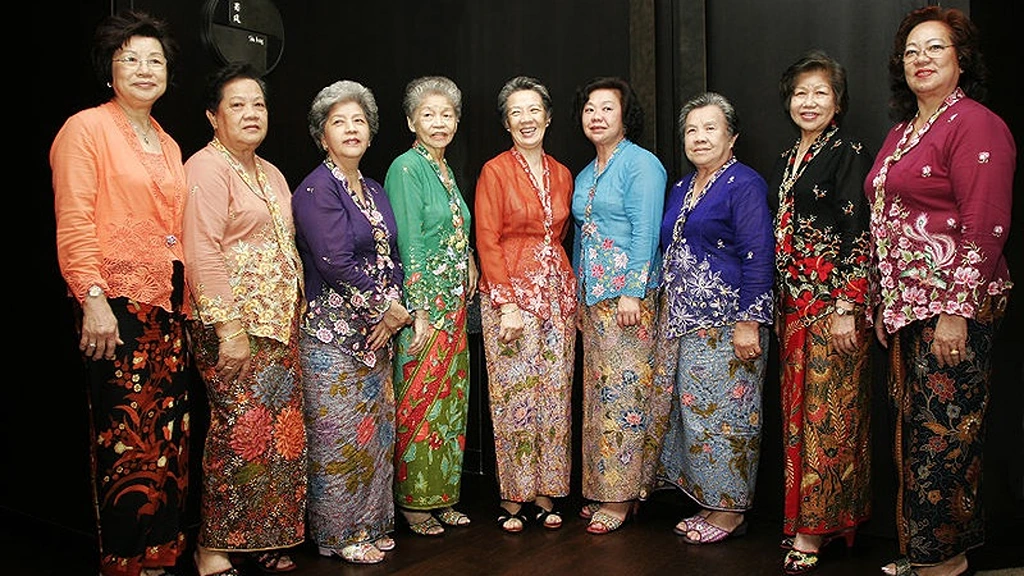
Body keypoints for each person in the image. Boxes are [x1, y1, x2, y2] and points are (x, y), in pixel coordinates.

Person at [866, 6, 1015, 576]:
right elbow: (885, 222)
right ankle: (925, 551)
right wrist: (885, 301)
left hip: (955, 309)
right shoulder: (902, 132)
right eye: (911, 51)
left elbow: (985, 224)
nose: (921, 59)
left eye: (935, 48)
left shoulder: (976, 124)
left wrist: (956, 311)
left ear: (962, 60)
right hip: (908, 311)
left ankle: (945, 560)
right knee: (914, 436)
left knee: (945, 439)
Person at [49, 11, 188, 576]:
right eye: (129, 57)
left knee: (168, 436)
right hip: (115, 304)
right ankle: (125, 557)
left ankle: (160, 550)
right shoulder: (85, 129)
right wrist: (92, 297)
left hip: (167, 304)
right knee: (125, 437)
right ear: (108, 70)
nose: (143, 69)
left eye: (154, 59)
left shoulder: (169, 142)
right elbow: (75, 218)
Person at [183, 62, 306, 576]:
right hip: (233, 328)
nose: (251, 113)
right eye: (237, 104)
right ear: (214, 116)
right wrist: (228, 327)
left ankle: (259, 539)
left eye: (258, 104)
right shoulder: (205, 169)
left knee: (280, 435)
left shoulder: (271, 172)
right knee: (240, 433)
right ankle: (213, 546)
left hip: (279, 327)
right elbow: (201, 250)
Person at [291, 80, 411, 564]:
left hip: (377, 333)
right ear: (323, 136)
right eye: (338, 122)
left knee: (376, 432)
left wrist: (394, 307)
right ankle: (337, 535)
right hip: (333, 335)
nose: (350, 129)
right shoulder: (316, 189)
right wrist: (386, 308)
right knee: (339, 437)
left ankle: (373, 522)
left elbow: (393, 256)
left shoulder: (376, 189)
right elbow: (334, 261)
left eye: (358, 121)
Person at [767, 51, 873, 574]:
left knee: (829, 417)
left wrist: (848, 306)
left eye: (820, 93)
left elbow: (859, 234)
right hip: (794, 309)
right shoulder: (793, 154)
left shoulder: (848, 150)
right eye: (800, 93)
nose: (808, 103)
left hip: (832, 309)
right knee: (798, 418)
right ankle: (802, 519)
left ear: (838, 101)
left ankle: (818, 529)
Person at [655, 92, 774, 545]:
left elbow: (758, 252)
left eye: (710, 128)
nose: (699, 137)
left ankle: (730, 512)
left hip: (729, 322)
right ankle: (711, 501)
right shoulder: (683, 187)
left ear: (732, 136)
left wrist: (749, 320)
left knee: (730, 418)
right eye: (691, 129)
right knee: (698, 418)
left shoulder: (743, 183)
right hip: (688, 324)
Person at [474, 76, 577, 533]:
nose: (526, 119)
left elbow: (560, 236)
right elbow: (487, 240)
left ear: (548, 117)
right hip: (510, 295)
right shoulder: (494, 171)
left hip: (557, 295)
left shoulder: (563, 172)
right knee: (515, 397)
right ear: (506, 122)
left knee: (555, 397)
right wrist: (507, 304)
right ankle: (513, 494)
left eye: (534, 109)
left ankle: (547, 490)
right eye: (517, 112)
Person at [571, 76, 667, 535]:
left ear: (625, 116)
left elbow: (646, 231)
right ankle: (603, 487)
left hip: (629, 301)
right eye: (590, 108)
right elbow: (581, 237)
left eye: (607, 108)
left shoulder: (642, 165)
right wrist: (576, 294)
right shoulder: (587, 173)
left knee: (626, 398)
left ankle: (624, 495)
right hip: (594, 299)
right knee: (599, 399)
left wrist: (633, 289)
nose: (597, 116)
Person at [384, 75, 479, 536]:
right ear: (410, 121)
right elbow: (411, 243)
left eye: (446, 115)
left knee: (449, 405)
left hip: (455, 308)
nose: (438, 122)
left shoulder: (444, 169)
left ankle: (443, 496)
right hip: (427, 310)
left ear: (457, 122)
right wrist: (420, 310)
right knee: (418, 403)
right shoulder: (407, 168)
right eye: (428, 114)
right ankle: (413, 501)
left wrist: (471, 256)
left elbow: (452, 228)